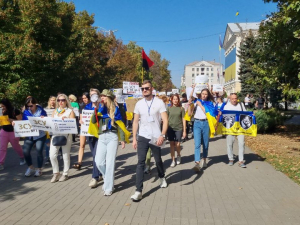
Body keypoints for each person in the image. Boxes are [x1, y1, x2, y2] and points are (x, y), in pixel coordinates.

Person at [131, 80, 168, 202]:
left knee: (158, 160)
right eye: (142, 89)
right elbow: (135, 121)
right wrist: (134, 138)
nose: (144, 90)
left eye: (146, 88)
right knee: (141, 162)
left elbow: (165, 120)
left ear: (152, 89)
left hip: (156, 136)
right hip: (142, 136)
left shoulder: (159, 102)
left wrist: (162, 135)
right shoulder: (139, 104)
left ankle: (162, 177)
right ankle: (138, 191)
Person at [92, 89, 127, 196]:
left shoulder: (115, 109)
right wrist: (96, 109)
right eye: (101, 96)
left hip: (112, 137)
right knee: (99, 162)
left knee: (110, 162)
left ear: (109, 98)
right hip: (102, 136)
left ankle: (108, 187)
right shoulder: (100, 108)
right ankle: (107, 179)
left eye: (104, 96)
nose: (101, 98)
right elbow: (93, 121)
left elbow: (120, 124)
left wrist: (122, 139)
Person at [49, 94, 76, 182]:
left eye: (63, 100)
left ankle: (65, 173)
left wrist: (67, 120)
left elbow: (73, 124)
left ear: (66, 101)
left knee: (65, 155)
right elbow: (51, 123)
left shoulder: (70, 111)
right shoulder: (55, 111)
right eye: (59, 100)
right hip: (56, 135)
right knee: (52, 155)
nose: (60, 102)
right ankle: (56, 172)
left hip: (66, 135)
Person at [188, 86, 215, 172]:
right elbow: (189, 114)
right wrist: (189, 105)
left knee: (206, 144)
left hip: (206, 123)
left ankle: (204, 160)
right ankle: (197, 163)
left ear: (208, 95)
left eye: (205, 94)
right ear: (200, 94)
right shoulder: (196, 102)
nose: (204, 95)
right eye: (202, 94)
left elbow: (208, 114)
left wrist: (201, 105)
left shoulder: (210, 104)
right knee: (197, 144)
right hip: (197, 123)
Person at [22, 97, 47, 177]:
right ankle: (30, 167)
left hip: (40, 135)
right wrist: (15, 124)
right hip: (30, 135)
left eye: (31, 105)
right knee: (25, 151)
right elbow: (23, 123)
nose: (29, 107)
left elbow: (47, 122)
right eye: (28, 106)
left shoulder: (42, 111)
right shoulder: (26, 112)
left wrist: (44, 119)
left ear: (35, 104)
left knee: (39, 150)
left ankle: (39, 169)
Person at [84, 89, 103, 188]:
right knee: (94, 155)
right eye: (91, 95)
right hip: (90, 134)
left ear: (98, 96)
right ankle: (100, 174)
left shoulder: (102, 106)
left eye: (95, 95)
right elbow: (83, 118)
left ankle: (94, 177)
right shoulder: (87, 107)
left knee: (96, 155)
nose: (93, 97)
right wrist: (81, 122)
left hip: (99, 134)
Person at [222, 93, 247, 168]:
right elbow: (223, 116)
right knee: (229, 143)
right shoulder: (227, 106)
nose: (234, 100)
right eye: (232, 99)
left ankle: (241, 161)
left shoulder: (241, 105)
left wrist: (252, 115)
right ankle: (231, 159)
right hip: (230, 128)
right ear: (230, 99)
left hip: (240, 127)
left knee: (241, 143)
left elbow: (245, 114)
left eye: (235, 98)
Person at [0, 99, 25, 170]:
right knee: (2, 148)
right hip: (4, 131)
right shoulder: (1, 112)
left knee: (16, 146)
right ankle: (1, 163)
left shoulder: (15, 111)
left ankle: (22, 157)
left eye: (3, 106)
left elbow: (21, 121)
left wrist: (12, 120)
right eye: (1, 106)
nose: (2, 107)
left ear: (7, 105)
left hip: (13, 131)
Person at [167, 94, 186, 167]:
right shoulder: (169, 108)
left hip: (179, 128)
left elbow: (183, 120)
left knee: (177, 144)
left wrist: (184, 131)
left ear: (178, 100)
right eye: (174, 99)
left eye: (176, 99)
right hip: (170, 128)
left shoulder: (181, 109)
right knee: (171, 144)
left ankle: (178, 155)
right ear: (171, 100)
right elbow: (166, 119)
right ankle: (173, 160)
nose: (175, 100)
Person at [73, 92, 90, 170]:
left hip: (92, 128)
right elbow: (80, 117)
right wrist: (80, 121)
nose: (84, 100)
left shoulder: (94, 105)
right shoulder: (82, 106)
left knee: (93, 145)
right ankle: (79, 162)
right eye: (83, 98)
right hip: (84, 127)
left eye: (85, 98)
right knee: (82, 145)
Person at [44, 96, 56, 165]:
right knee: (47, 144)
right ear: (49, 101)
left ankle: (59, 154)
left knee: (56, 143)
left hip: (55, 129)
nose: (52, 102)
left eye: (54, 100)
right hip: (48, 130)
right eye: (51, 100)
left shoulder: (58, 109)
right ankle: (47, 158)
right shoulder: (45, 109)